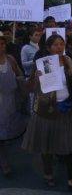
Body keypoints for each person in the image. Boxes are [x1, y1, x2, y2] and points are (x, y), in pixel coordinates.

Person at [22, 35, 72, 192]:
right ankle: (48, 174)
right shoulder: (42, 64)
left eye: (61, 44)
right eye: (55, 45)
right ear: (48, 48)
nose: (59, 47)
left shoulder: (68, 61)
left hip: (67, 108)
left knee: (71, 145)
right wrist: (36, 79)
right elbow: (29, 88)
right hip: (47, 110)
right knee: (47, 145)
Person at [0, 36, 26, 176]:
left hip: (10, 103)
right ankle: (4, 165)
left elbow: (19, 75)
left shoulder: (10, 59)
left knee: (7, 133)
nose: (0, 47)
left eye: (2, 43)